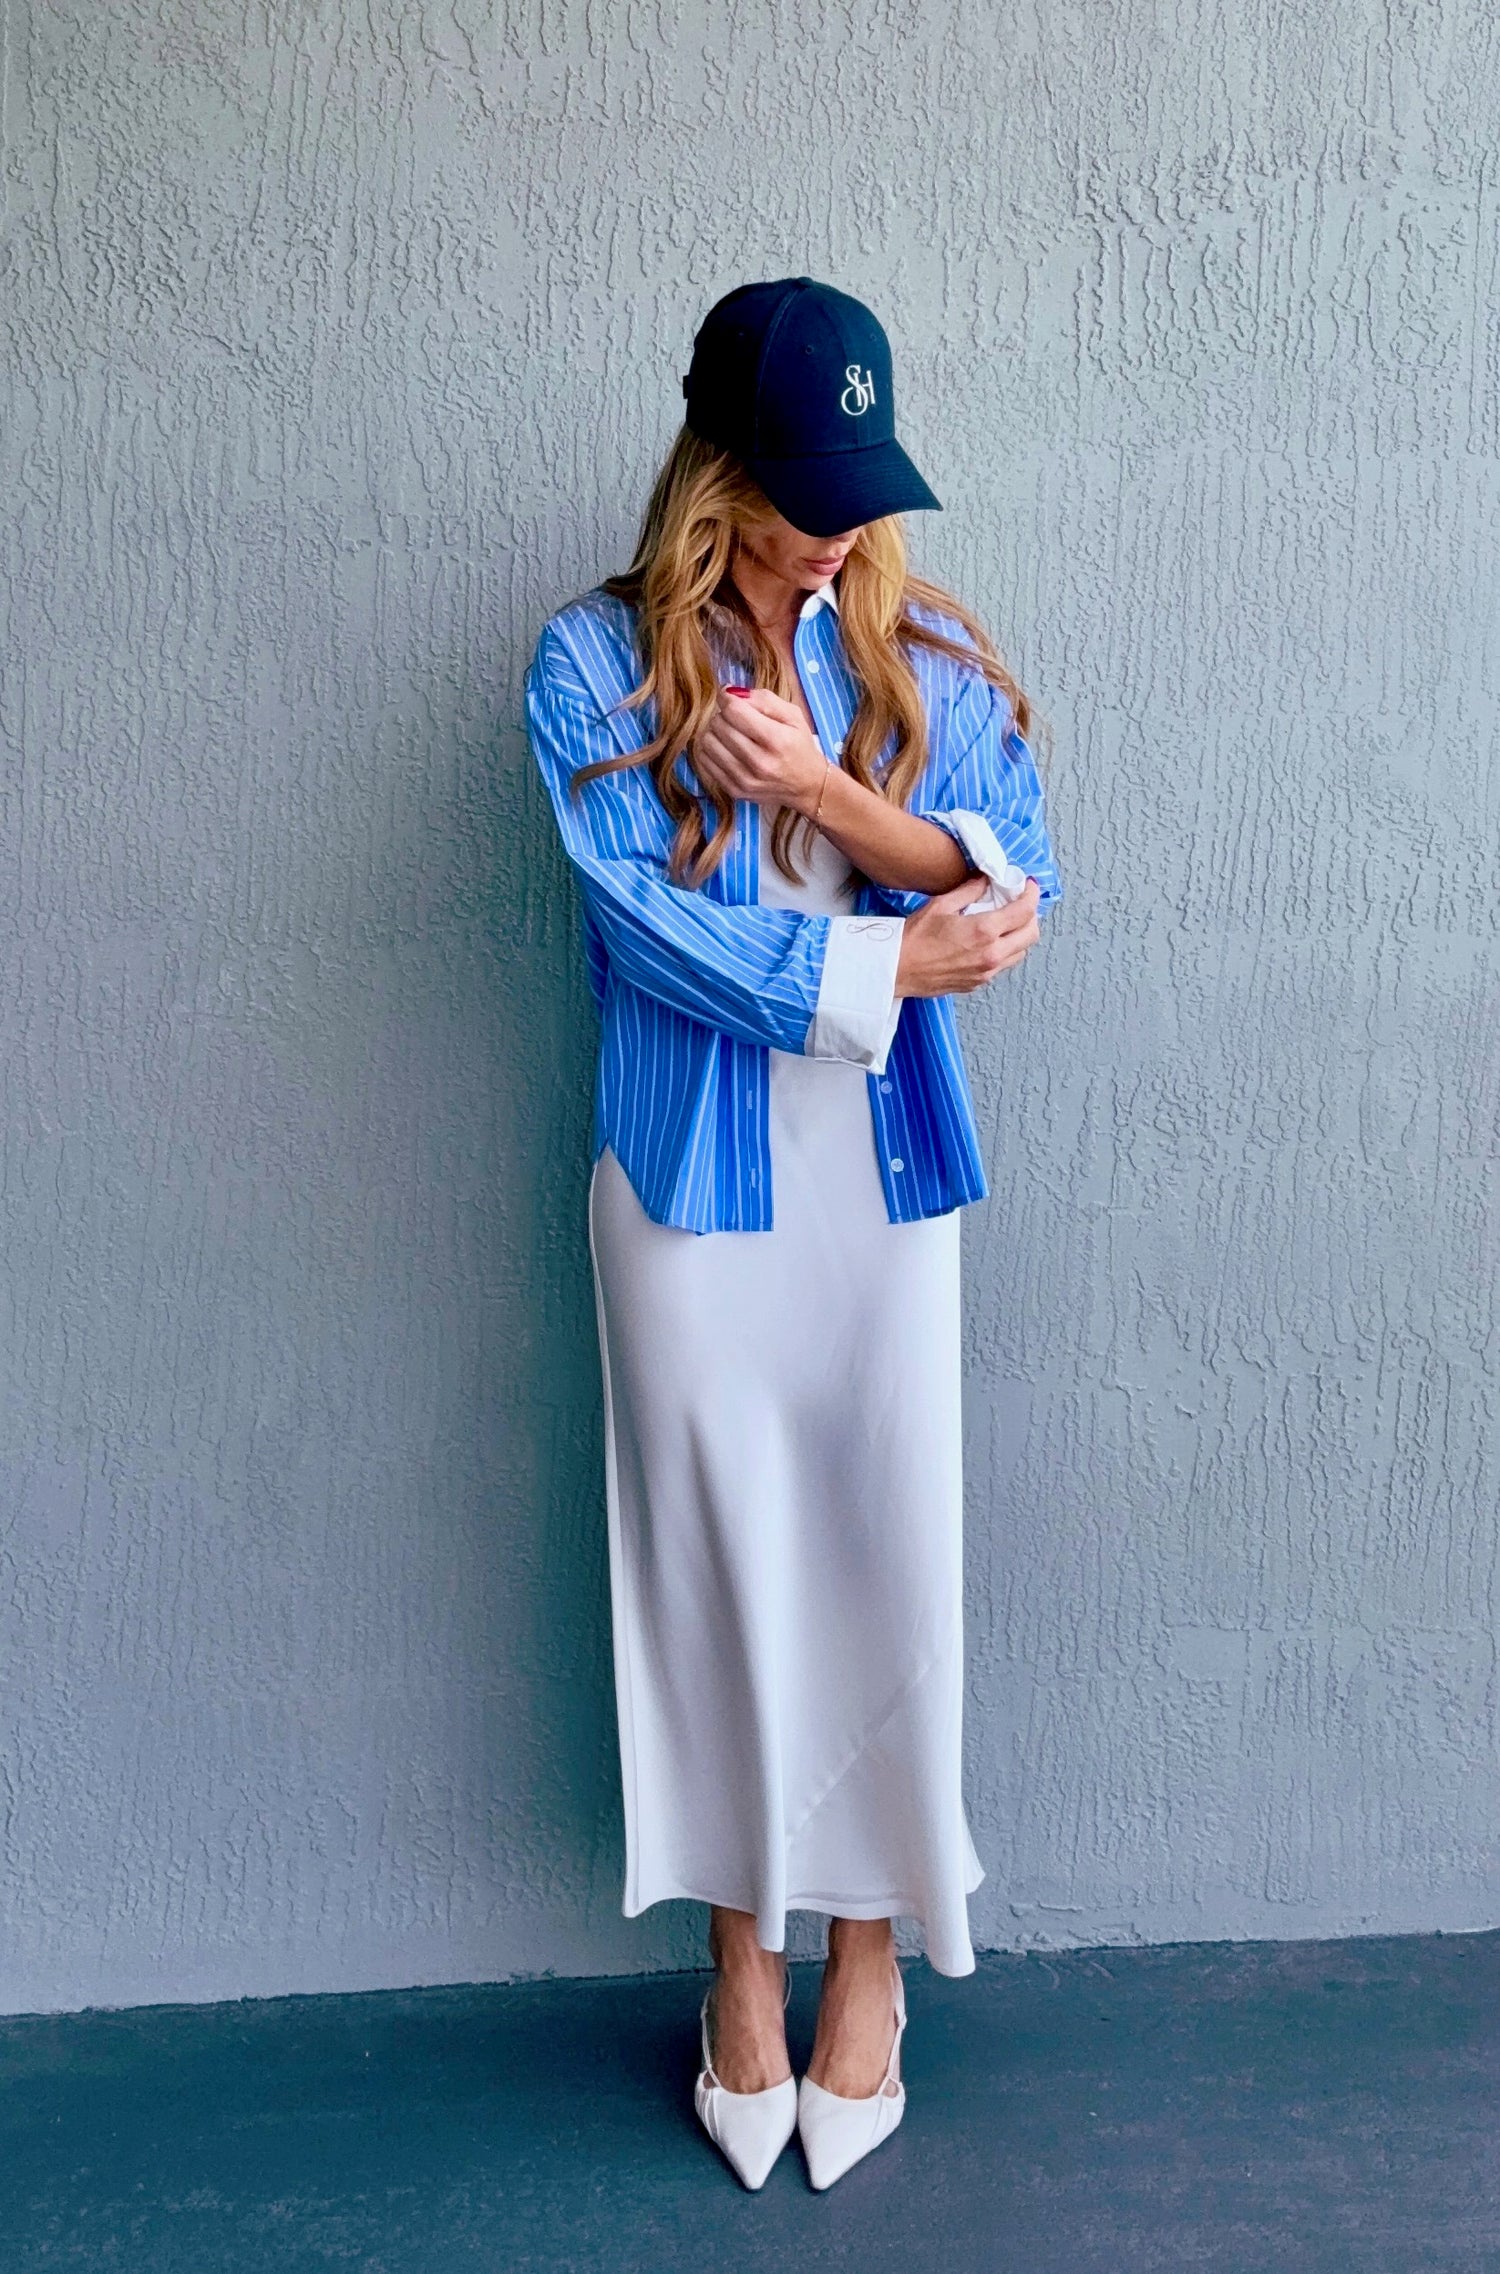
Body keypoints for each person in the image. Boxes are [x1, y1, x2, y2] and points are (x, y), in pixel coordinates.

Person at [524, 276, 1063, 2192]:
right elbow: (654, 939)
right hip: (686, 1185)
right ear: (720, 467)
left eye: (859, 481)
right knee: (711, 1572)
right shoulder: (589, 668)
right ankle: (737, 1967)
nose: (839, 520)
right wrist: (893, 946)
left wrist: (840, 800)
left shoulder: (920, 650)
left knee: (880, 1557)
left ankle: (870, 1968)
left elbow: (1017, 872)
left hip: (880, 1180)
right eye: (803, 483)